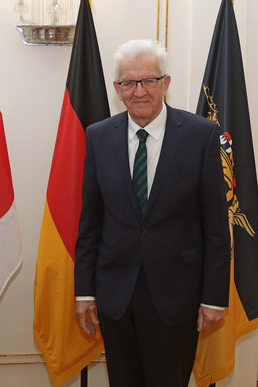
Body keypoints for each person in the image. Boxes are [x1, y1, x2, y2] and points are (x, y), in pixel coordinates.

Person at [74, 39, 231, 386]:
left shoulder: (201, 134)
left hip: (178, 296)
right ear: (117, 89)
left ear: (166, 83)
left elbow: (216, 226)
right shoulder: (98, 136)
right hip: (116, 296)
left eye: (149, 81)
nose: (139, 91)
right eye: (129, 83)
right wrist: (84, 292)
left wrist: (214, 297)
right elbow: (91, 222)